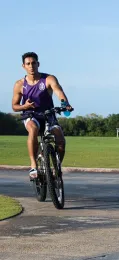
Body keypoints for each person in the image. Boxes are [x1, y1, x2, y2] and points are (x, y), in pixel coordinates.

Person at [11, 52, 73, 181]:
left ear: (38, 64)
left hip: (48, 115)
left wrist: (65, 103)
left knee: (60, 140)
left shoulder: (48, 79)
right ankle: (33, 165)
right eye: (28, 64)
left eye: (33, 63)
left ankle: (57, 168)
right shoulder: (19, 84)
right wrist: (25, 107)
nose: (31, 66)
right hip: (30, 115)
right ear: (23, 66)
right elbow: (14, 106)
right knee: (33, 129)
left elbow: (58, 91)